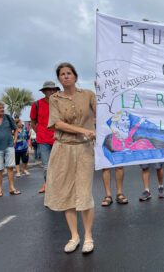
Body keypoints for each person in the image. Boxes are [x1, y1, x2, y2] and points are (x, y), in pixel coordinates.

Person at [44, 62, 96, 254]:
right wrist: (84, 130)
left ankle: (88, 236)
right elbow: (56, 123)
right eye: (62, 74)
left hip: (83, 150)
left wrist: (105, 92)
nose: (66, 76)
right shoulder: (55, 99)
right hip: (62, 149)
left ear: (75, 76)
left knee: (84, 193)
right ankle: (74, 236)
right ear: (59, 79)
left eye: (69, 73)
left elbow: (105, 111)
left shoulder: (89, 95)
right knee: (66, 194)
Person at [30, 81, 60, 193]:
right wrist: (40, 133)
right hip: (43, 140)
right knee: (47, 166)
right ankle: (48, 185)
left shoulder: (60, 103)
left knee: (59, 165)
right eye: (49, 89)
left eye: (53, 89)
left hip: (59, 139)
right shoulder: (36, 104)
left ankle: (58, 185)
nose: (51, 91)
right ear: (44, 91)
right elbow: (33, 122)